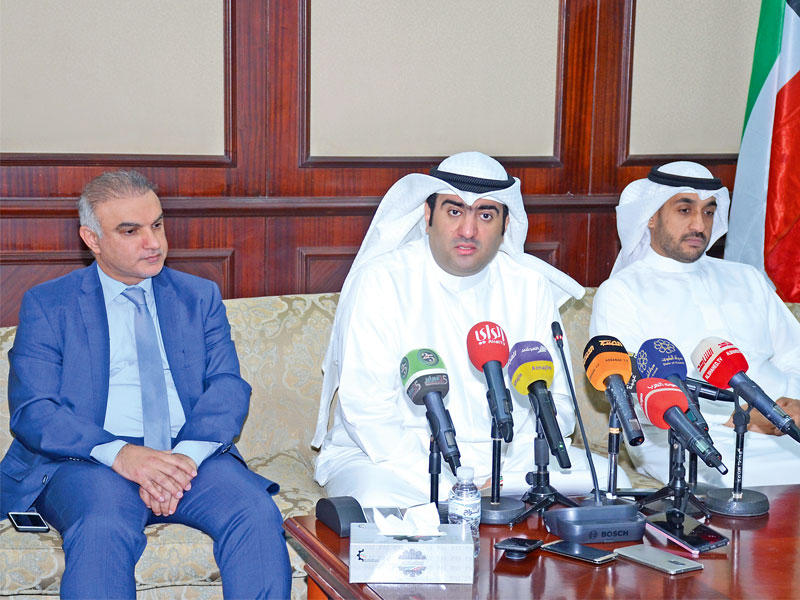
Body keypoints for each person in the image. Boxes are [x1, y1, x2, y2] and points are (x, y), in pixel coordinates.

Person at [0, 171, 291, 598]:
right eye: (130, 231)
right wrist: (121, 454)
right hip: (88, 460)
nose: (153, 242)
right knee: (102, 526)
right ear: (92, 239)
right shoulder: (50, 304)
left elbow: (228, 386)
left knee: (254, 511)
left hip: (188, 454)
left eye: (157, 224)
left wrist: (182, 461)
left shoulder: (198, 297)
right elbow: (34, 410)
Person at [312, 151, 629, 507]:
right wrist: (457, 483)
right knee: (376, 499)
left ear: (505, 224)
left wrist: (504, 470)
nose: (468, 230)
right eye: (454, 211)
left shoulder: (528, 285)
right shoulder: (381, 281)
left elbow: (558, 403)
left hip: (508, 459)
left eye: (486, 214)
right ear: (428, 214)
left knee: (610, 481)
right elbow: (367, 414)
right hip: (396, 460)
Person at [590, 161, 800, 488]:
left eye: (708, 212)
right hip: (685, 438)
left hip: (784, 423)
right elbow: (631, 392)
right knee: (735, 479)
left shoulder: (747, 278)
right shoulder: (621, 291)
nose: (699, 225)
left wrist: (790, 404)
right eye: (685, 210)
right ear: (651, 215)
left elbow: (793, 355)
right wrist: (741, 418)